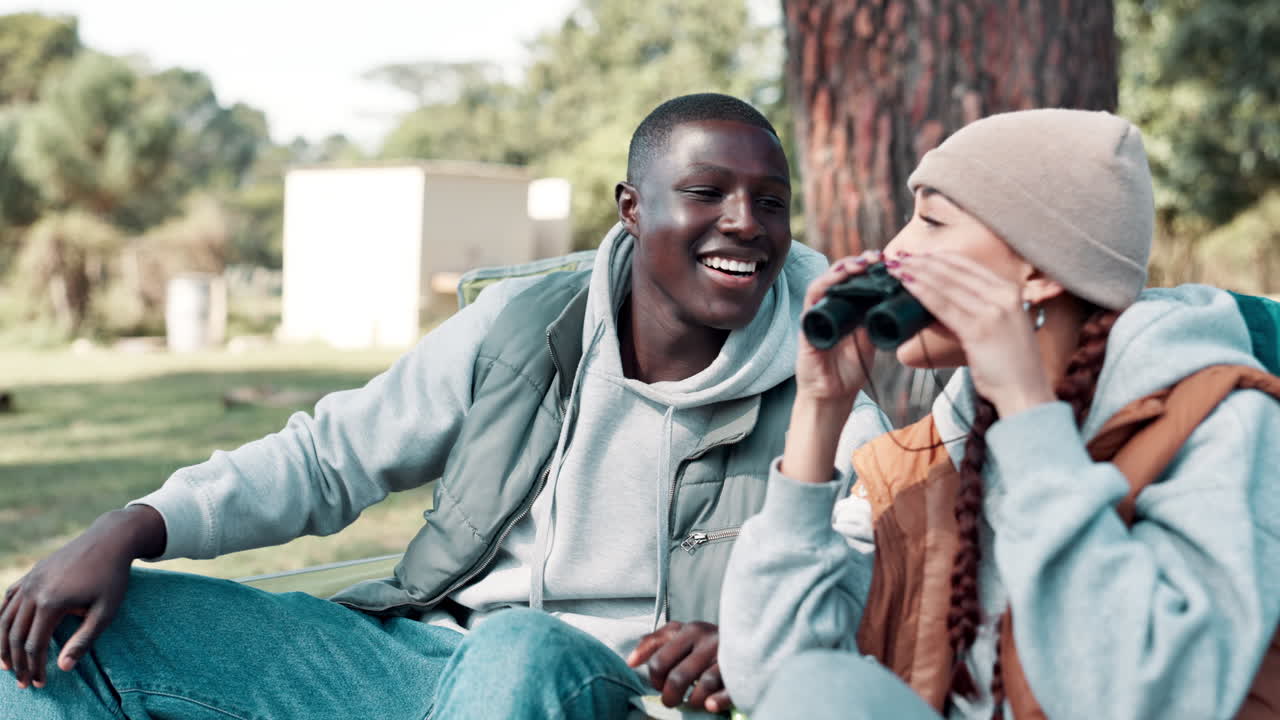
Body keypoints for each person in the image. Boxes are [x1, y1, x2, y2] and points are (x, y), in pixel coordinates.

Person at [0, 92, 829, 719]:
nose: (744, 223)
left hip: (611, 687)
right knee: (68, 633)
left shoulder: (825, 365)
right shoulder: (524, 323)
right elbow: (330, 458)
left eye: (770, 201)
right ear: (632, 206)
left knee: (522, 645)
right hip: (422, 661)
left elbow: (872, 549)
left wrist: (752, 644)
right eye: (707, 191)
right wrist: (131, 524)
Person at [718, 108, 1280, 719]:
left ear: (1038, 271)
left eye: (932, 221)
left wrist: (1029, 420)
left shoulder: (1224, 425)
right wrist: (819, 410)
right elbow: (772, 678)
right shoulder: (929, 457)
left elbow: (1157, 699)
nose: (896, 250)